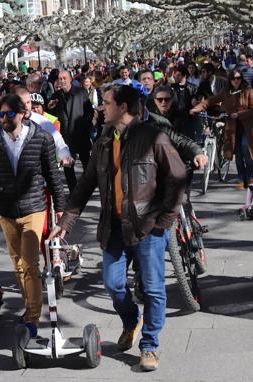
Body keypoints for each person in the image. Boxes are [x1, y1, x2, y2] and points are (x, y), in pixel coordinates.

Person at [50, 85, 187, 372]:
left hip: (148, 227)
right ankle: (130, 321)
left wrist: (163, 222)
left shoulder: (152, 136)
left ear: (123, 107)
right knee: (113, 284)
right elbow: (86, 184)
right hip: (113, 225)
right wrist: (66, 221)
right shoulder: (103, 142)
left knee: (152, 289)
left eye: (107, 103)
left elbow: (177, 178)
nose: (101, 108)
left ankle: (149, 345)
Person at [0, 94, 66, 339]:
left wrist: (61, 208)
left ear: (22, 114)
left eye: (9, 114)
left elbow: (53, 176)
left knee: (30, 263)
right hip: (6, 210)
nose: (4, 119)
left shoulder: (41, 138)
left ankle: (32, 316)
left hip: (33, 208)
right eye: (1, 114)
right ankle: (29, 305)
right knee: (17, 264)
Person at [191, 69, 253, 188]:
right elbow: (211, 101)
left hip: (247, 126)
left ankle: (250, 176)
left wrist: (239, 114)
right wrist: (198, 108)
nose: (236, 81)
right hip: (232, 126)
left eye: (238, 78)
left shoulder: (248, 91)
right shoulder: (226, 92)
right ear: (230, 80)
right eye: (234, 78)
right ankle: (241, 177)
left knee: (245, 149)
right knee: (237, 152)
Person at [48, 69, 94, 193]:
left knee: (86, 164)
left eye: (64, 78)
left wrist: (85, 124)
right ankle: (73, 192)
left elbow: (89, 111)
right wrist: (50, 108)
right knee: (68, 167)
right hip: (66, 138)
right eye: (60, 79)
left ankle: (88, 188)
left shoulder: (80, 92)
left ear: (70, 79)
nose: (62, 81)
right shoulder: (56, 96)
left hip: (81, 134)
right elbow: (51, 117)